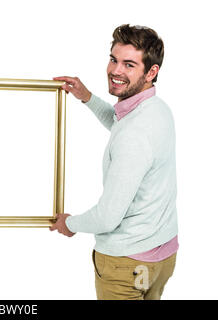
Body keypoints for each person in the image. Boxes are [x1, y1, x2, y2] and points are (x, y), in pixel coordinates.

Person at [50, 24, 178, 300]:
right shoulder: (157, 110)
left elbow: (107, 217)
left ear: (151, 72)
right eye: (113, 59)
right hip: (161, 257)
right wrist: (88, 98)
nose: (116, 71)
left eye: (129, 65)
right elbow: (121, 125)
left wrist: (69, 224)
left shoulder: (134, 134)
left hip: (126, 264)